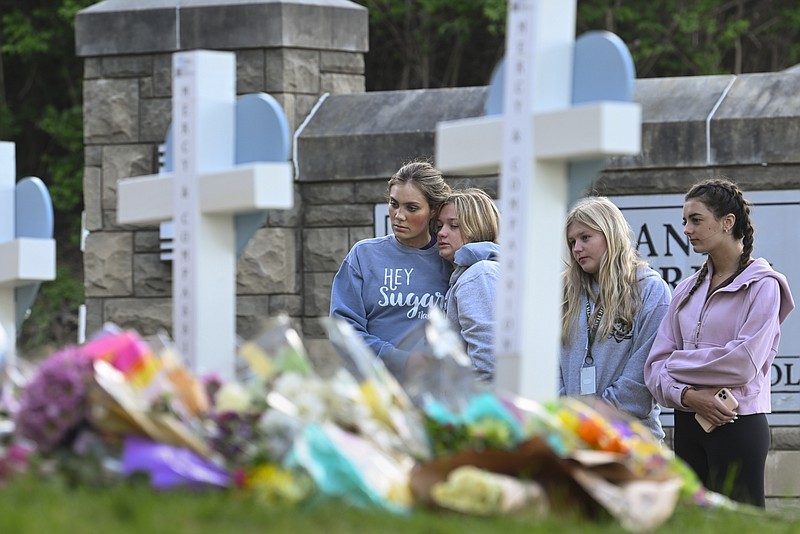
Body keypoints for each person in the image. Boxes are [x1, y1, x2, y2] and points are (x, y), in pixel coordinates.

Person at [644, 177, 794, 507]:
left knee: (740, 526)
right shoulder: (684, 290)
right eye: (684, 221)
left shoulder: (763, 286)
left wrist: (677, 364)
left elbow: (742, 364)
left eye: (696, 219)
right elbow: (654, 369)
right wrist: (688, 395)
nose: (686, 229)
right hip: (687, 424)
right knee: (694, 526)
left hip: (737, 424)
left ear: (727, 223)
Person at [559, 196, 671, 440]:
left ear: (610, 235)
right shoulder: (564, 291)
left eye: (585, 237)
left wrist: (592, 420)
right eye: (572, 241)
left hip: (632, 442)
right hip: (571, 439)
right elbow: (550, 364)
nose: (577, 248)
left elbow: (642, 377)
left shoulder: (650, 290)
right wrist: (565, 416)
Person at [329, 161, 452, 378]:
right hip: (375, 388)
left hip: (435, 391)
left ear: (433, 210)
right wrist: (401, 360)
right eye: (394, 204)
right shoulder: (364, 255)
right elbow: (344, 331)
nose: (399, 215)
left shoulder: (450, 259)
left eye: (411, 208)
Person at [436, 188, 500, 381]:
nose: (441, 233)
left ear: (477, 227)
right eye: (439, 226)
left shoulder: (478, 274)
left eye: (453, 225)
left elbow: (488, 361)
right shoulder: (473, 272)